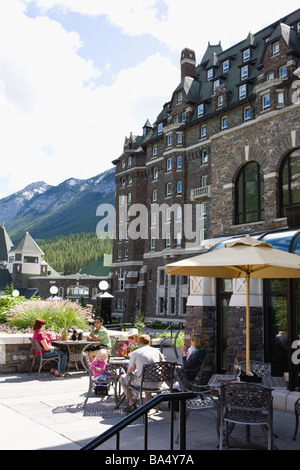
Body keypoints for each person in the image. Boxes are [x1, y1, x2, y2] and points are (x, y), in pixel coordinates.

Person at [119, 334, 164, 411]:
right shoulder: (157, 351)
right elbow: (164, 366)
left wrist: (135, 372)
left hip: (142, 383)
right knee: (148, 375)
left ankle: (131, 402)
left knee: (122, 378)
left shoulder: (135, 353)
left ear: (139, 343)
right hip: (157, 382)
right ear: (149, 343)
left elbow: (129, 372)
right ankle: (146, 401)